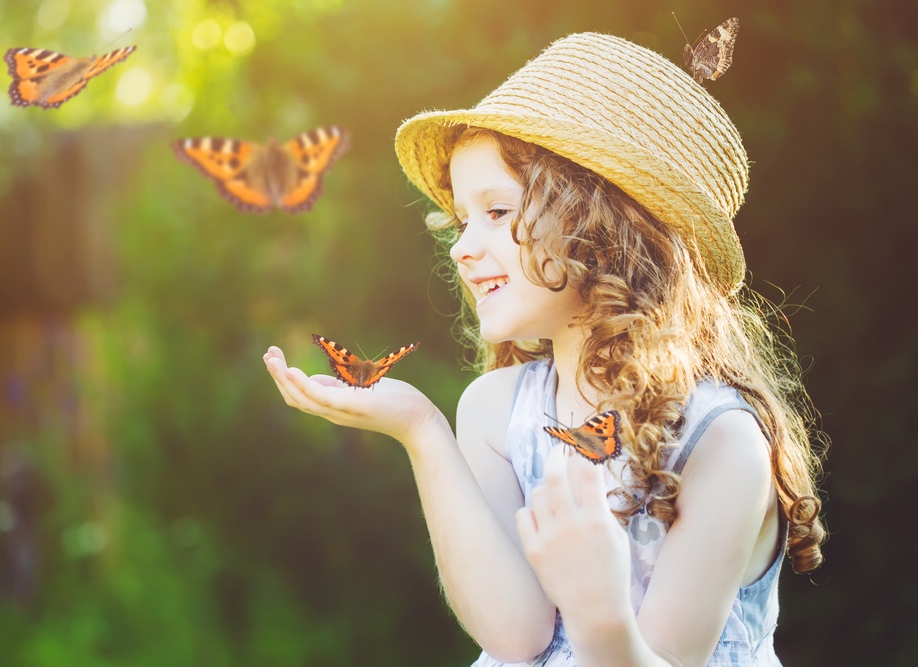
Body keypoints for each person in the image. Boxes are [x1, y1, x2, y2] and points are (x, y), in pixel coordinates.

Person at [263, 31, 826, 667]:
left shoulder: (720, 440)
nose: (461, 246)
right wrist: (421, 432)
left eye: (497, 212)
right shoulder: (496, 411)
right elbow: (515, 637)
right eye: (460, 220)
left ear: (603, 225)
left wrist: (601, 616)